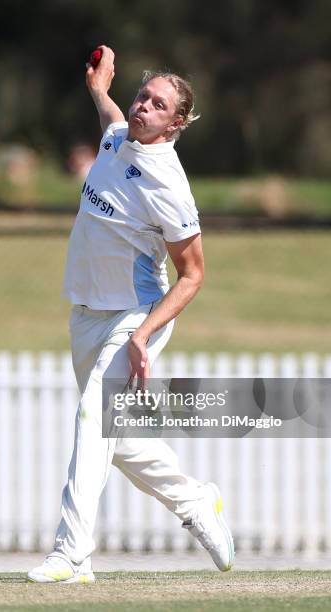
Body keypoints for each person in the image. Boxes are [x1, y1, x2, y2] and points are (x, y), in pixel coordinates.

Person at [28, 45, 234, 584]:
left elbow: (192, 274)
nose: (143, 107)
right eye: (143, 96)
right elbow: (114, 119)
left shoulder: (169, 185)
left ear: (176, 124)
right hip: (87, 312)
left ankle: (72, 556)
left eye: (158, 105)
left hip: (136, 315)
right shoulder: (119, 136)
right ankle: (196, 502)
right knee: (116, 441)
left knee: (94, 417)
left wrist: (144, 334)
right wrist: (101, 89)